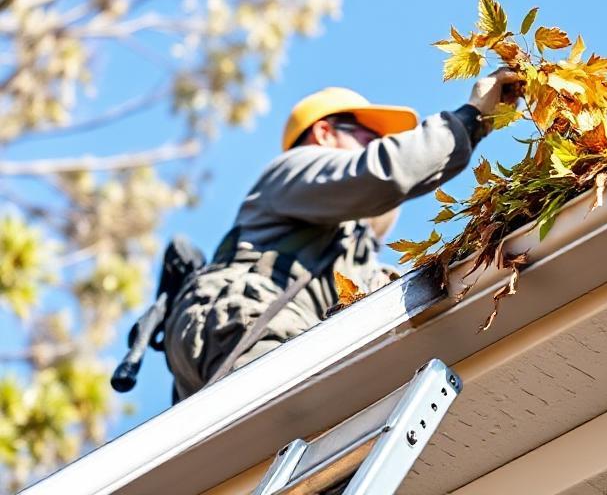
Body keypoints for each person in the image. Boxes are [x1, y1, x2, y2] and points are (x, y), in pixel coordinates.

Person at [164, 69, 520, 400]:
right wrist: (474, 117)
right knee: (277, 423)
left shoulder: (345, 246)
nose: (379, 145)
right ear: (324, 133)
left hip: (244, 332)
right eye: (371, 137)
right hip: (245, 322)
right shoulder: (297, 168)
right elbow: (384, 172)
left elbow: (393, 296)